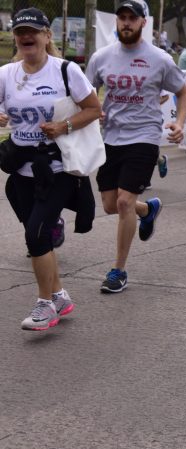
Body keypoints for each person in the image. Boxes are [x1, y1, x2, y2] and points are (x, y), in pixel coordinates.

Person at [0, 8, 101, 330]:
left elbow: (94, 109)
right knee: (38, 238)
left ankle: (45, 305)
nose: (26, 37)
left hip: (57, 169)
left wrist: (64, 126)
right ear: (15, 37)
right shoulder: (6, 74)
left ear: (47, 36)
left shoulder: (65, 71)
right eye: (20, 32)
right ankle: (59, 295)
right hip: (21, 171)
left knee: (36, 234)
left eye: (33, 31)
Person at [86, 0, 186, 293]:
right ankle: (147, 210)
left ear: (144, 22)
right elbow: (85, 93)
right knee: (109, 205)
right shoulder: (101, 57)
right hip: (110, 138)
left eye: (132, 18)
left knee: (123, 203)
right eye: (122, 18)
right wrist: (92, 110)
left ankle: (118, 270)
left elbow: (183, 93)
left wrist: (179, 122)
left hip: (144, 136)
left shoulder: (159, 59)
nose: (126, 23)